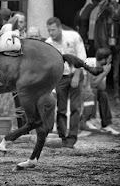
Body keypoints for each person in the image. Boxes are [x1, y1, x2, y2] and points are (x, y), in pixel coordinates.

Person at [46, 17, 87, 148]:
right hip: (60, 77)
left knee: (75, 107)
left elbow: (82, 57)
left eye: (53, 30)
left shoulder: (73, 36)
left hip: (76, 73)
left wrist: (77, 75)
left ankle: (72, 137)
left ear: (59, 28)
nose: (51, 33)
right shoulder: (48, 42)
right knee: (61, 108)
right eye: (49, 30)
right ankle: (62, 136)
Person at [81, 48, 120, 135]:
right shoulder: (89, 63)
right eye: (109, 58)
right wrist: (104, 74)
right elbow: (91, 85)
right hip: (79, 90)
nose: (111, 60)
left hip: (89, 90)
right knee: (93, 91)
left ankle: (105, 125)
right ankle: (89, 119)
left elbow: (102, 87)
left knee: (103, 94)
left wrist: (102, 74)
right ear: (103, 59)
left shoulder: (103, 67)